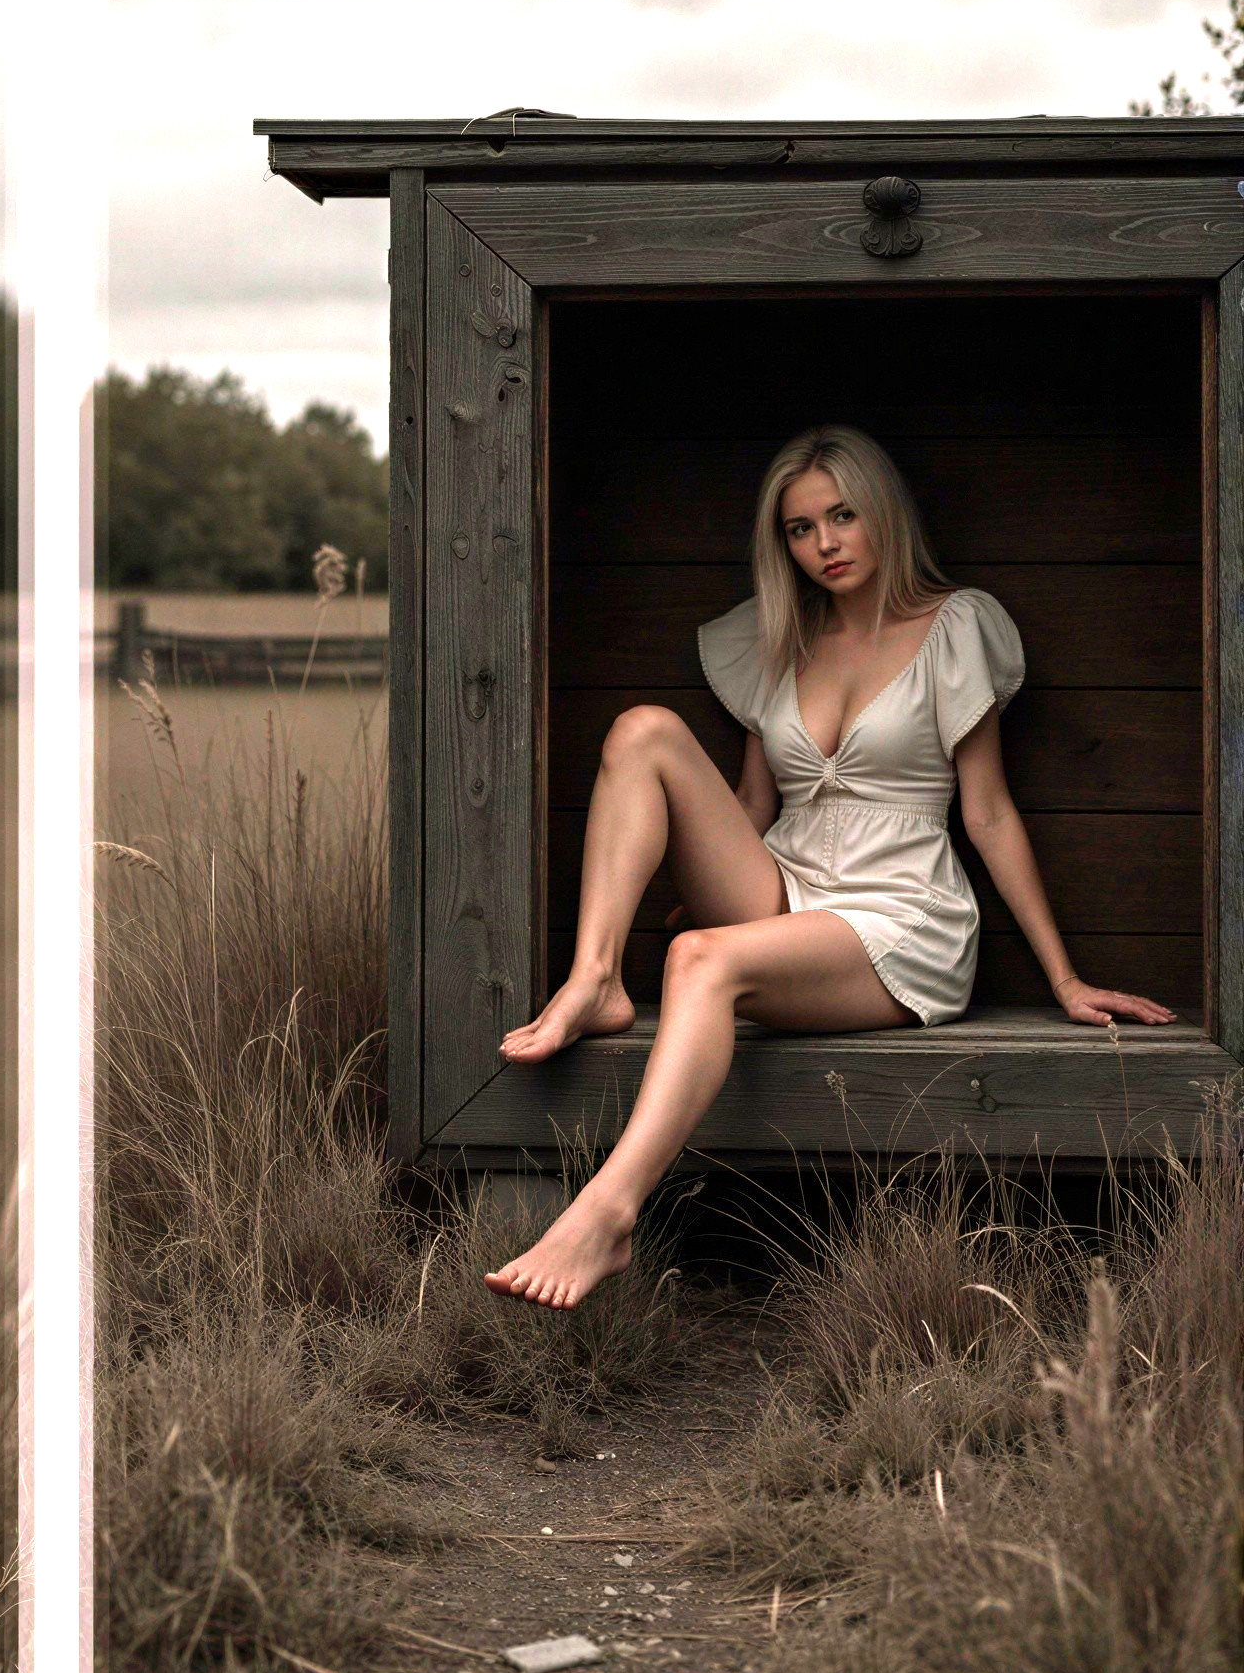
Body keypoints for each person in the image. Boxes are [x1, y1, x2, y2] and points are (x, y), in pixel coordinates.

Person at [485, 421, 1171, 1308]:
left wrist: (1065, 978)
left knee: (702, 961)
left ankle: (608, 1214)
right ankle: (597, 978)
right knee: (641, 731)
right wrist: (689, 881)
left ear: (882, 512)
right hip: (786, 885)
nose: (824, 545)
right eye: (800, 529)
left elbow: (989, 812)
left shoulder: (955, 627)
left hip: (899, 913)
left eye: (841, 516)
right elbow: (751, 811)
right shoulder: (781, 638)